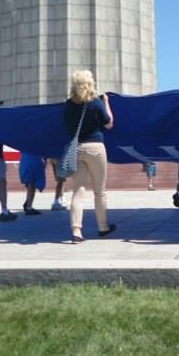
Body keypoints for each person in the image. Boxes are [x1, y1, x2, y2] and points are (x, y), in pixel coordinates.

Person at [64, 70, 115, 243]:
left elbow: (66, 126)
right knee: (99, 191)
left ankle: (76, 231)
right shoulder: (95, 102)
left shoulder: (68, 104)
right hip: (95, 148)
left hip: (76, 148)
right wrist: (106, 102)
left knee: (78, 192)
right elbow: (109, 123)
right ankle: (103, 227)